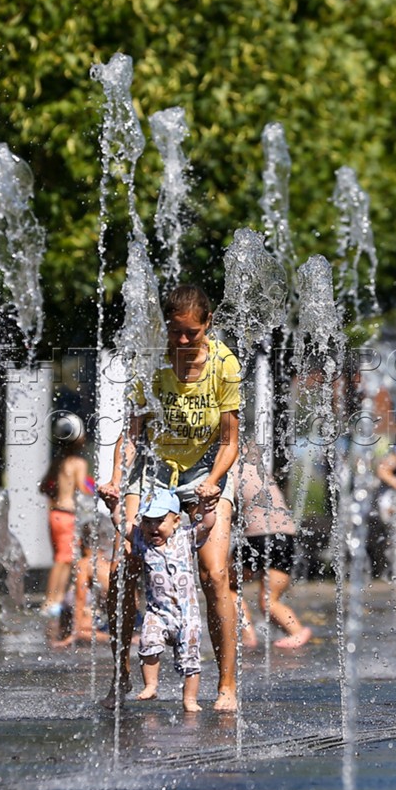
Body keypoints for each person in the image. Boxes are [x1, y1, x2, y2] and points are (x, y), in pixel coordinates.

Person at [102, 285, 242, 712]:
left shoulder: (224, 364)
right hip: (154, 471)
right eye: (175, 332)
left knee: (214, 574)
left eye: (192, 333)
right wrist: (113, 478)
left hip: (207, 471)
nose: (182, 341)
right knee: (120, 565)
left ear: (208, 325)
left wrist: (215, 482)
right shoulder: (154, 363)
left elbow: (230, 440)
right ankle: (120, 674)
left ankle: (227, 685)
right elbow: (132, 433)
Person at [230, 443, 312, 649]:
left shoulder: (230, 470)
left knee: (226, 585)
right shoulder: (259, 468)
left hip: (258, 536)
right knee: (269, 600)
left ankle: (247, 635)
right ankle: (297, 632)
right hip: (286, 537)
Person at [132, 489, 205, 713]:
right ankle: (151, 685)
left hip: (187, 616)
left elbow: (207, 524)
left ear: (176, 520)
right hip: (158, 613)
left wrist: (207, 504)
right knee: (148, 644)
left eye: (160, 521)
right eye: (148, 521)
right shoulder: (143, 543)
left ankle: (190, 699)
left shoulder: (185, 537)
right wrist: (114, 505)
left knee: (190, 660)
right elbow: (121, 525)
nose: (154, 527)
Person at [40, 413, 107, 647]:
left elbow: (43, 486)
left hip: (54, 513)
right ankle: (52, 601)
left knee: (59, 557)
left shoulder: (57, 461)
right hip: (68, 515)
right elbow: (83, 487)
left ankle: (52, 599)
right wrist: (97, 487)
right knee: (65, 559)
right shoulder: (79, 463)